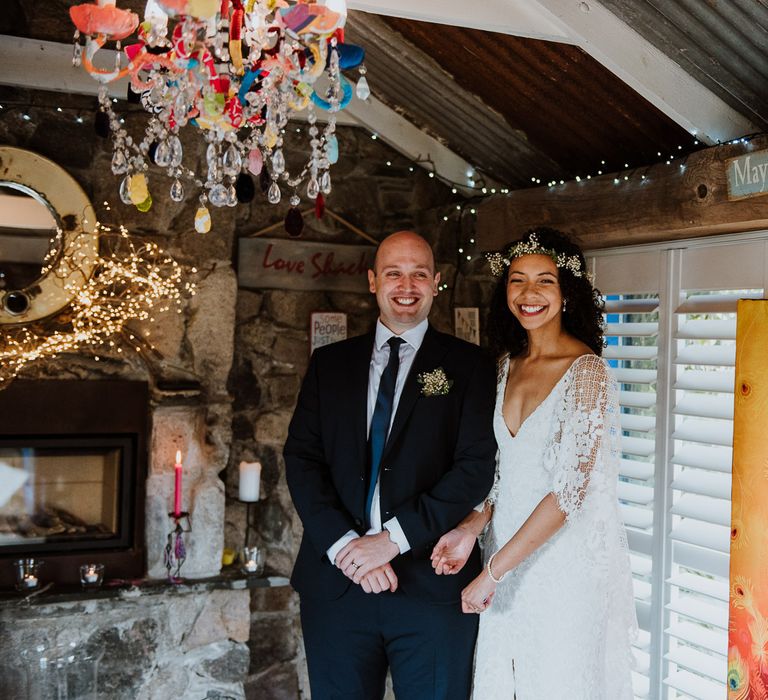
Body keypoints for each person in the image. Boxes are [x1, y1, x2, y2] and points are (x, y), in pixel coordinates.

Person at [284, 230, 497, 699]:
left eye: (419, 274)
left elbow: (475, 469)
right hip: (337, 590)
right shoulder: (328, 364)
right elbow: (301, 460)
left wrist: (390, 542)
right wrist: (348, 548)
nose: (407, 285)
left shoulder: (472, 366)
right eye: (394, 273)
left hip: (431, 590)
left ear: (436, 282)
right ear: (372, 281)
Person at [431, 227, 637, 699]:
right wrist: (468, 530)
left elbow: (568, 494)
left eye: (544, 280)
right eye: (517, 280)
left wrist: (492, 573)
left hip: (562, 569)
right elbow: (501, 474)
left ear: (567, 292)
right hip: (503, 557)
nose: (529, 294)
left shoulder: (587, 373)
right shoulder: (505, 366)